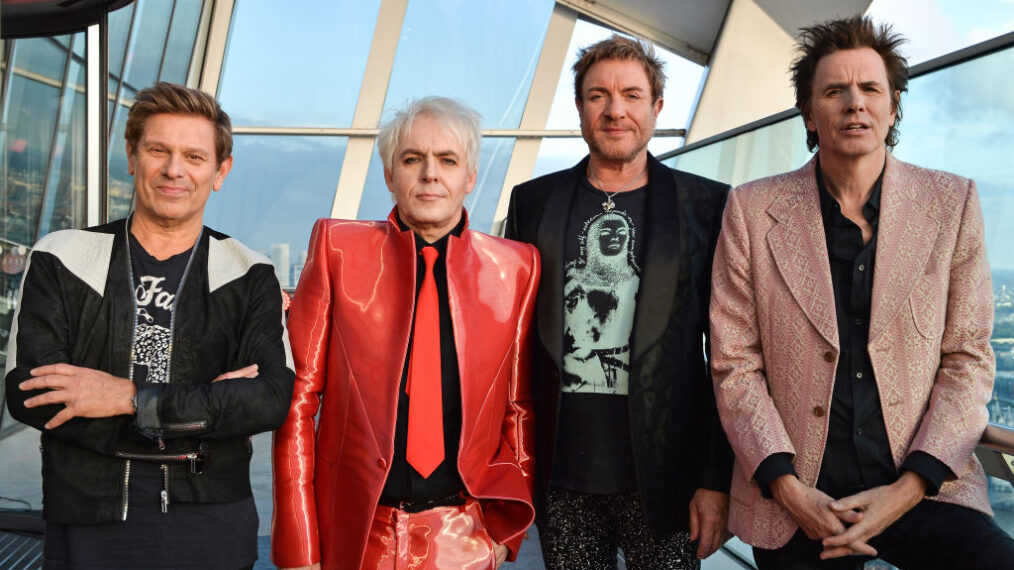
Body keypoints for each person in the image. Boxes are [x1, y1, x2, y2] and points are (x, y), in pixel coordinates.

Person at [710, 15, 1014, 569]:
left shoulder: (952, 204)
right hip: (796, 495)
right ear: (809, 112)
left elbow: (968, 355)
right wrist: (788, 488)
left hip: (924, 485)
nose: (855, 103)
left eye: (870, 88)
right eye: (835, 90)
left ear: (893, 107)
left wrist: (909, 488)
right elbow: (734, 363)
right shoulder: (752, 210)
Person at [4, 81, 295, 569]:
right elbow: (32, 392)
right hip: (89, 514)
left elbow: (267, 399)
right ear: (132, 155)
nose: (174, 169)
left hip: (211, 518)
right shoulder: (63, 257)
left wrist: (126, 398)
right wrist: (206, 408)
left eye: (194, 157)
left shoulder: (250, 272)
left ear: (220, 171)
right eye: (158, 150)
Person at [272, 97, 540, 570]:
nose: (430, 174)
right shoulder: (337, 249)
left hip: (466, 538)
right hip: (357, 536)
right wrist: (299, 546)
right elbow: (298, 404)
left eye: (448, 160)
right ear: (390, 176)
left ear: (469, 177)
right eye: (412, 159)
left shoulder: (515, 267)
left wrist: (503, 531)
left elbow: (518, 409)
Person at [505, 35, 733, 569]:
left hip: (668, 476)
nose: (615, 110)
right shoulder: (533, 203)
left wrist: (715, 481)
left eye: (631, 95)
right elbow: (513, 347)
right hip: (563, 477)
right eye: (598, 95)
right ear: (580, 107)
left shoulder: (707, 205)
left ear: (656, 108)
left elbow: (729, 357)